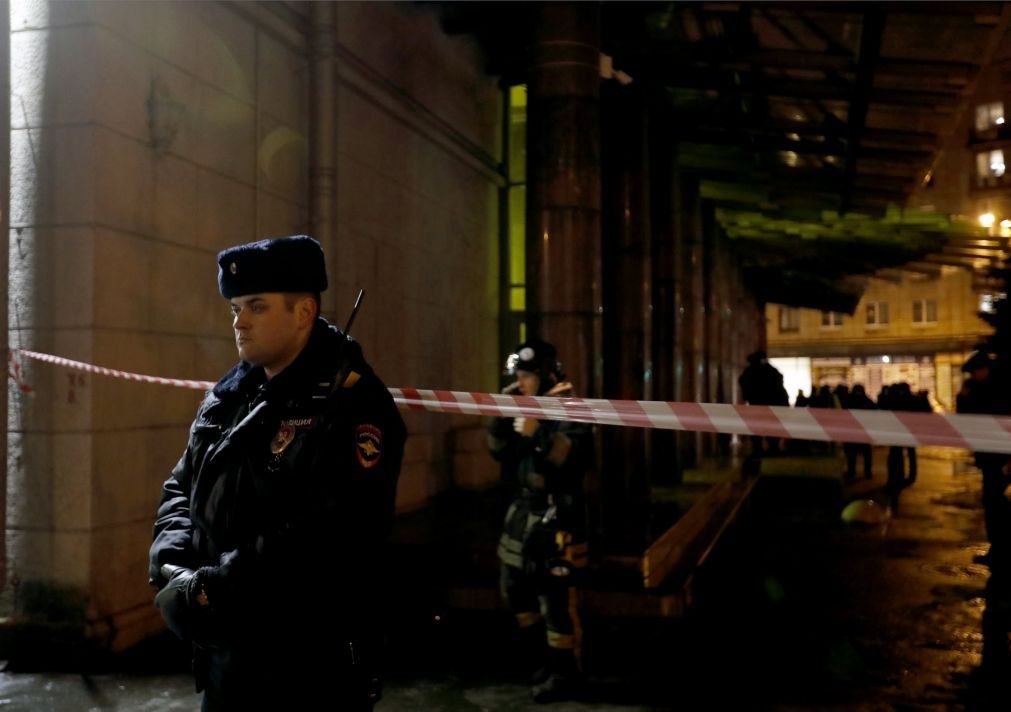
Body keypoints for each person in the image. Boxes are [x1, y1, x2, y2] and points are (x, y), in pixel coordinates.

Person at [148, 235, 406, 711]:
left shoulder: (351, 403)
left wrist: (212, 587)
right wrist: (171, 559)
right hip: (228, 657)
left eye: (257, 307)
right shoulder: (231, 395)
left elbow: (332, 528)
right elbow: (182, 484)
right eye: (235, 308)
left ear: (304, 312)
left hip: (307, 667)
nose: (239, 322)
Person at [487, 339, 593, 704]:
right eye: (518, 374)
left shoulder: (571, 407)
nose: (522, 381)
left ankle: (565, 672)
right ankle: (537, 662)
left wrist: (538, 433)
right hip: (523, 512)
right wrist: (502, 415)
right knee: (513, 586)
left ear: (546, 375)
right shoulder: (523, 404)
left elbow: (570, 459)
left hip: (557, 513)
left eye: (528, 375)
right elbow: (498, 451)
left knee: (556, 598)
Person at [957, 349, 1011, 568]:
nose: (972, 377)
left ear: (984, 370)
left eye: (974, 372)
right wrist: (962, 398)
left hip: (1002, 460)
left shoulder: (1000, 391)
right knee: (993, 505)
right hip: (989, 459)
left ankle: (1001, 554)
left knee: (999, 507)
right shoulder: (979, 391)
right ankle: (997, 551)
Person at [738, 351, 789, 458]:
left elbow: (745, 388)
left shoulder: (750, 372)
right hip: (772, 407)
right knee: (771, 432)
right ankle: (771, 449)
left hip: (758, 406)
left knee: (758, 432)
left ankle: (760, 450)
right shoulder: (771, 371)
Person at [841, 384, 876, 481]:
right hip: (864, 432)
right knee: (866, 454)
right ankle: (867, 472)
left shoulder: (848, 401)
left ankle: (852, 472)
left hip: (851, 432)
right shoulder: (867, 401)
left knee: (852, 454)